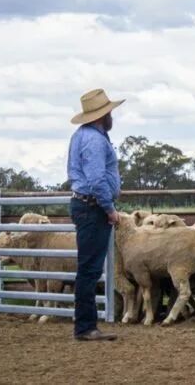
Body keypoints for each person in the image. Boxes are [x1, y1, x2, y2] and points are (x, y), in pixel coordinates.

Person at [66, 88, 125, 341]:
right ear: (103, 115)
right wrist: (110, 210)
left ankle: (86, 325)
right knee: (89, 270)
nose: (112, 116)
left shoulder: (83, 135)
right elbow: (97, 180)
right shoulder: (94, 140)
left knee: (88, 268)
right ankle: (86, 327)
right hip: (93, 207)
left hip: (87, 205)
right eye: (109, 112)